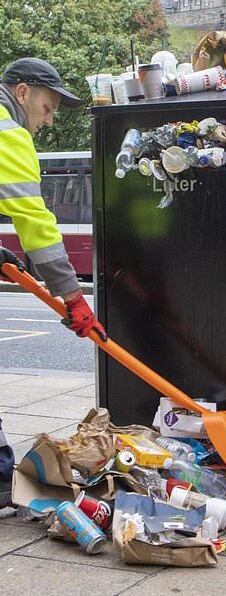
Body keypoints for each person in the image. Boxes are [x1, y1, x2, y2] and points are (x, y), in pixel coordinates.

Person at [0, 58, 106, 507]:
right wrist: (73, 297)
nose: (48, 120)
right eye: (47, 107)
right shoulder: (8, 133)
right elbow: (38, 228)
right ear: (22, 93)